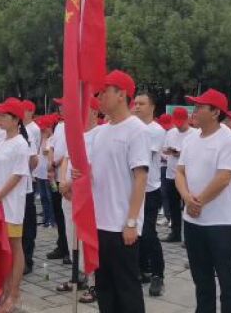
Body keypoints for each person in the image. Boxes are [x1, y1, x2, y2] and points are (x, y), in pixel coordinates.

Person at [83, 70, 149, 312]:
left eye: (104, 92)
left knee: (127, 289)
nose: (99, 97)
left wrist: (131, 221)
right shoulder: (100, 132)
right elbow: (94, 172)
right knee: (105, 288)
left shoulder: (136, 130)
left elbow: (140, 177)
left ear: (121, 94)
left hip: (122, 226)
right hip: (99, 224)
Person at [175, 88, 231, 313]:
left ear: (215, 112)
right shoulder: (191, 139)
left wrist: (199, 202)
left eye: (200, 106)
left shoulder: (228, 140)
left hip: (220, 222)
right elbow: (180, 172)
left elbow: (224, 177)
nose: (194, 110)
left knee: (226, 277)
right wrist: (187, 198)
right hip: (193, 221)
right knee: (201, 277)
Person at [0, 98, 31, 313]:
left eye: (4, 116)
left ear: (15, 120)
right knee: (0, 250)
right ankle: (3, 290)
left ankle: (14, 294)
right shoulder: (1, 141)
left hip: (10, 204)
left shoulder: (21, 144)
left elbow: (17, 176)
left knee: (14, 247)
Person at [57, 96, 101, 304]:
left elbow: (89, 168)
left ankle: (94, 283)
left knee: (86, 241)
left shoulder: (99, 135)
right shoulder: (75, 134)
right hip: (68, 196)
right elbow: (66, 159)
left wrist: (71, 186)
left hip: (86, 197)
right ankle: (78, 275)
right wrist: (62, 182)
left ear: (93, 112)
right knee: (70, 236)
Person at [133, 91, 167, 296]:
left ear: (152, 107)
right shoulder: (133, 128)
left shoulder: (154, 130)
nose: (137, 107)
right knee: (135, 233)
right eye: (135, 103)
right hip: (133, 188)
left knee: (148, 233)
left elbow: (141, 157)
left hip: (150, 188)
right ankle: (141, 269)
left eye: (142, 104)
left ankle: (158, 274)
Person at [162, 107, 195, 242]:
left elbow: (196, 154)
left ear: (187, 119)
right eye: (177, 122)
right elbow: (164, 150)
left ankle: (189, 237)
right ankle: (175, 232)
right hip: (171, 174)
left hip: (188, 176)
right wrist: (169, 152)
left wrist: (180, 153)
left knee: (188, 205)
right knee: (173, 206)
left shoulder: (194, 133)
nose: (179, 124)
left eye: (181, 121)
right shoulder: (170, 133)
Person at [47, 99, 71, 265]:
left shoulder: (75, 125)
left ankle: (70, 249)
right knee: (59, 214)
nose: (61, 108)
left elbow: (71, 151)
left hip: (67, 178)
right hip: (56, 175)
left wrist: (56, 163)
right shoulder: (60, 126)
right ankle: (62, 244)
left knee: (68, 217)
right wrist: (50, 164)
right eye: (59, 106)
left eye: (63, 105)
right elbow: (53, 147)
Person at [22, 99, 40, 275]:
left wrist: (25, 173)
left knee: (27, 227)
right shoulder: (1, 135)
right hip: (7, 191)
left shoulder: (28, 132)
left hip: (24, 188)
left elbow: (34, 159)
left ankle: (27, 260)